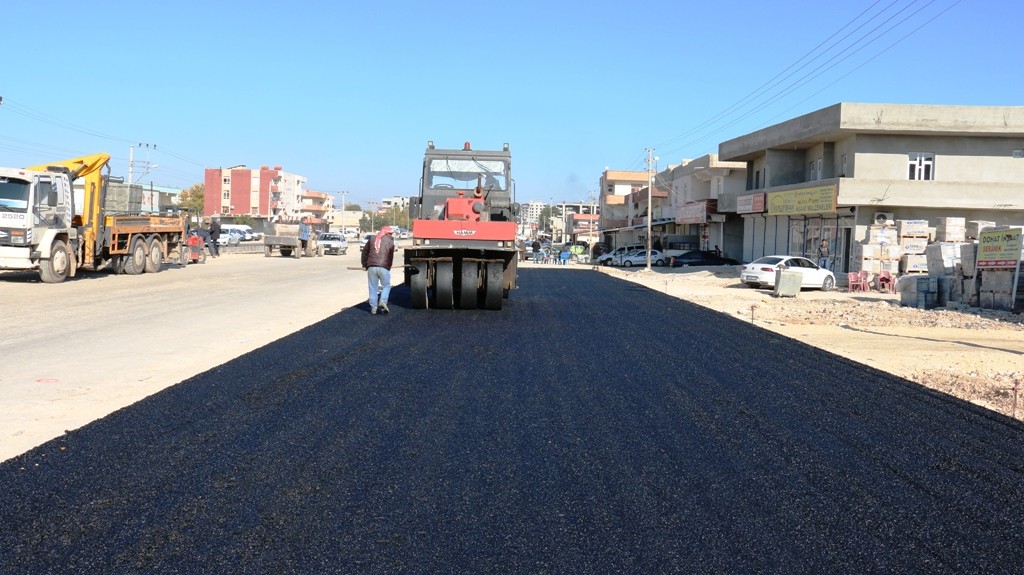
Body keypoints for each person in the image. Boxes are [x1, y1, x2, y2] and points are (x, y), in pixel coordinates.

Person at [361, 225, 395, 315]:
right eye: (390, 233)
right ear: (387, 233)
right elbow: (390, 257)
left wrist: (364, 264)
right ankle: (383, 302)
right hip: (383, 267)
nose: (391, 235)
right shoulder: (390, 242)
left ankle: (373, 308)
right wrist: (388, 267)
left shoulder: (372, 239)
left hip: (371, 267)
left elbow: (364, 252)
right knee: (387, 286)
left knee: (373, 288)